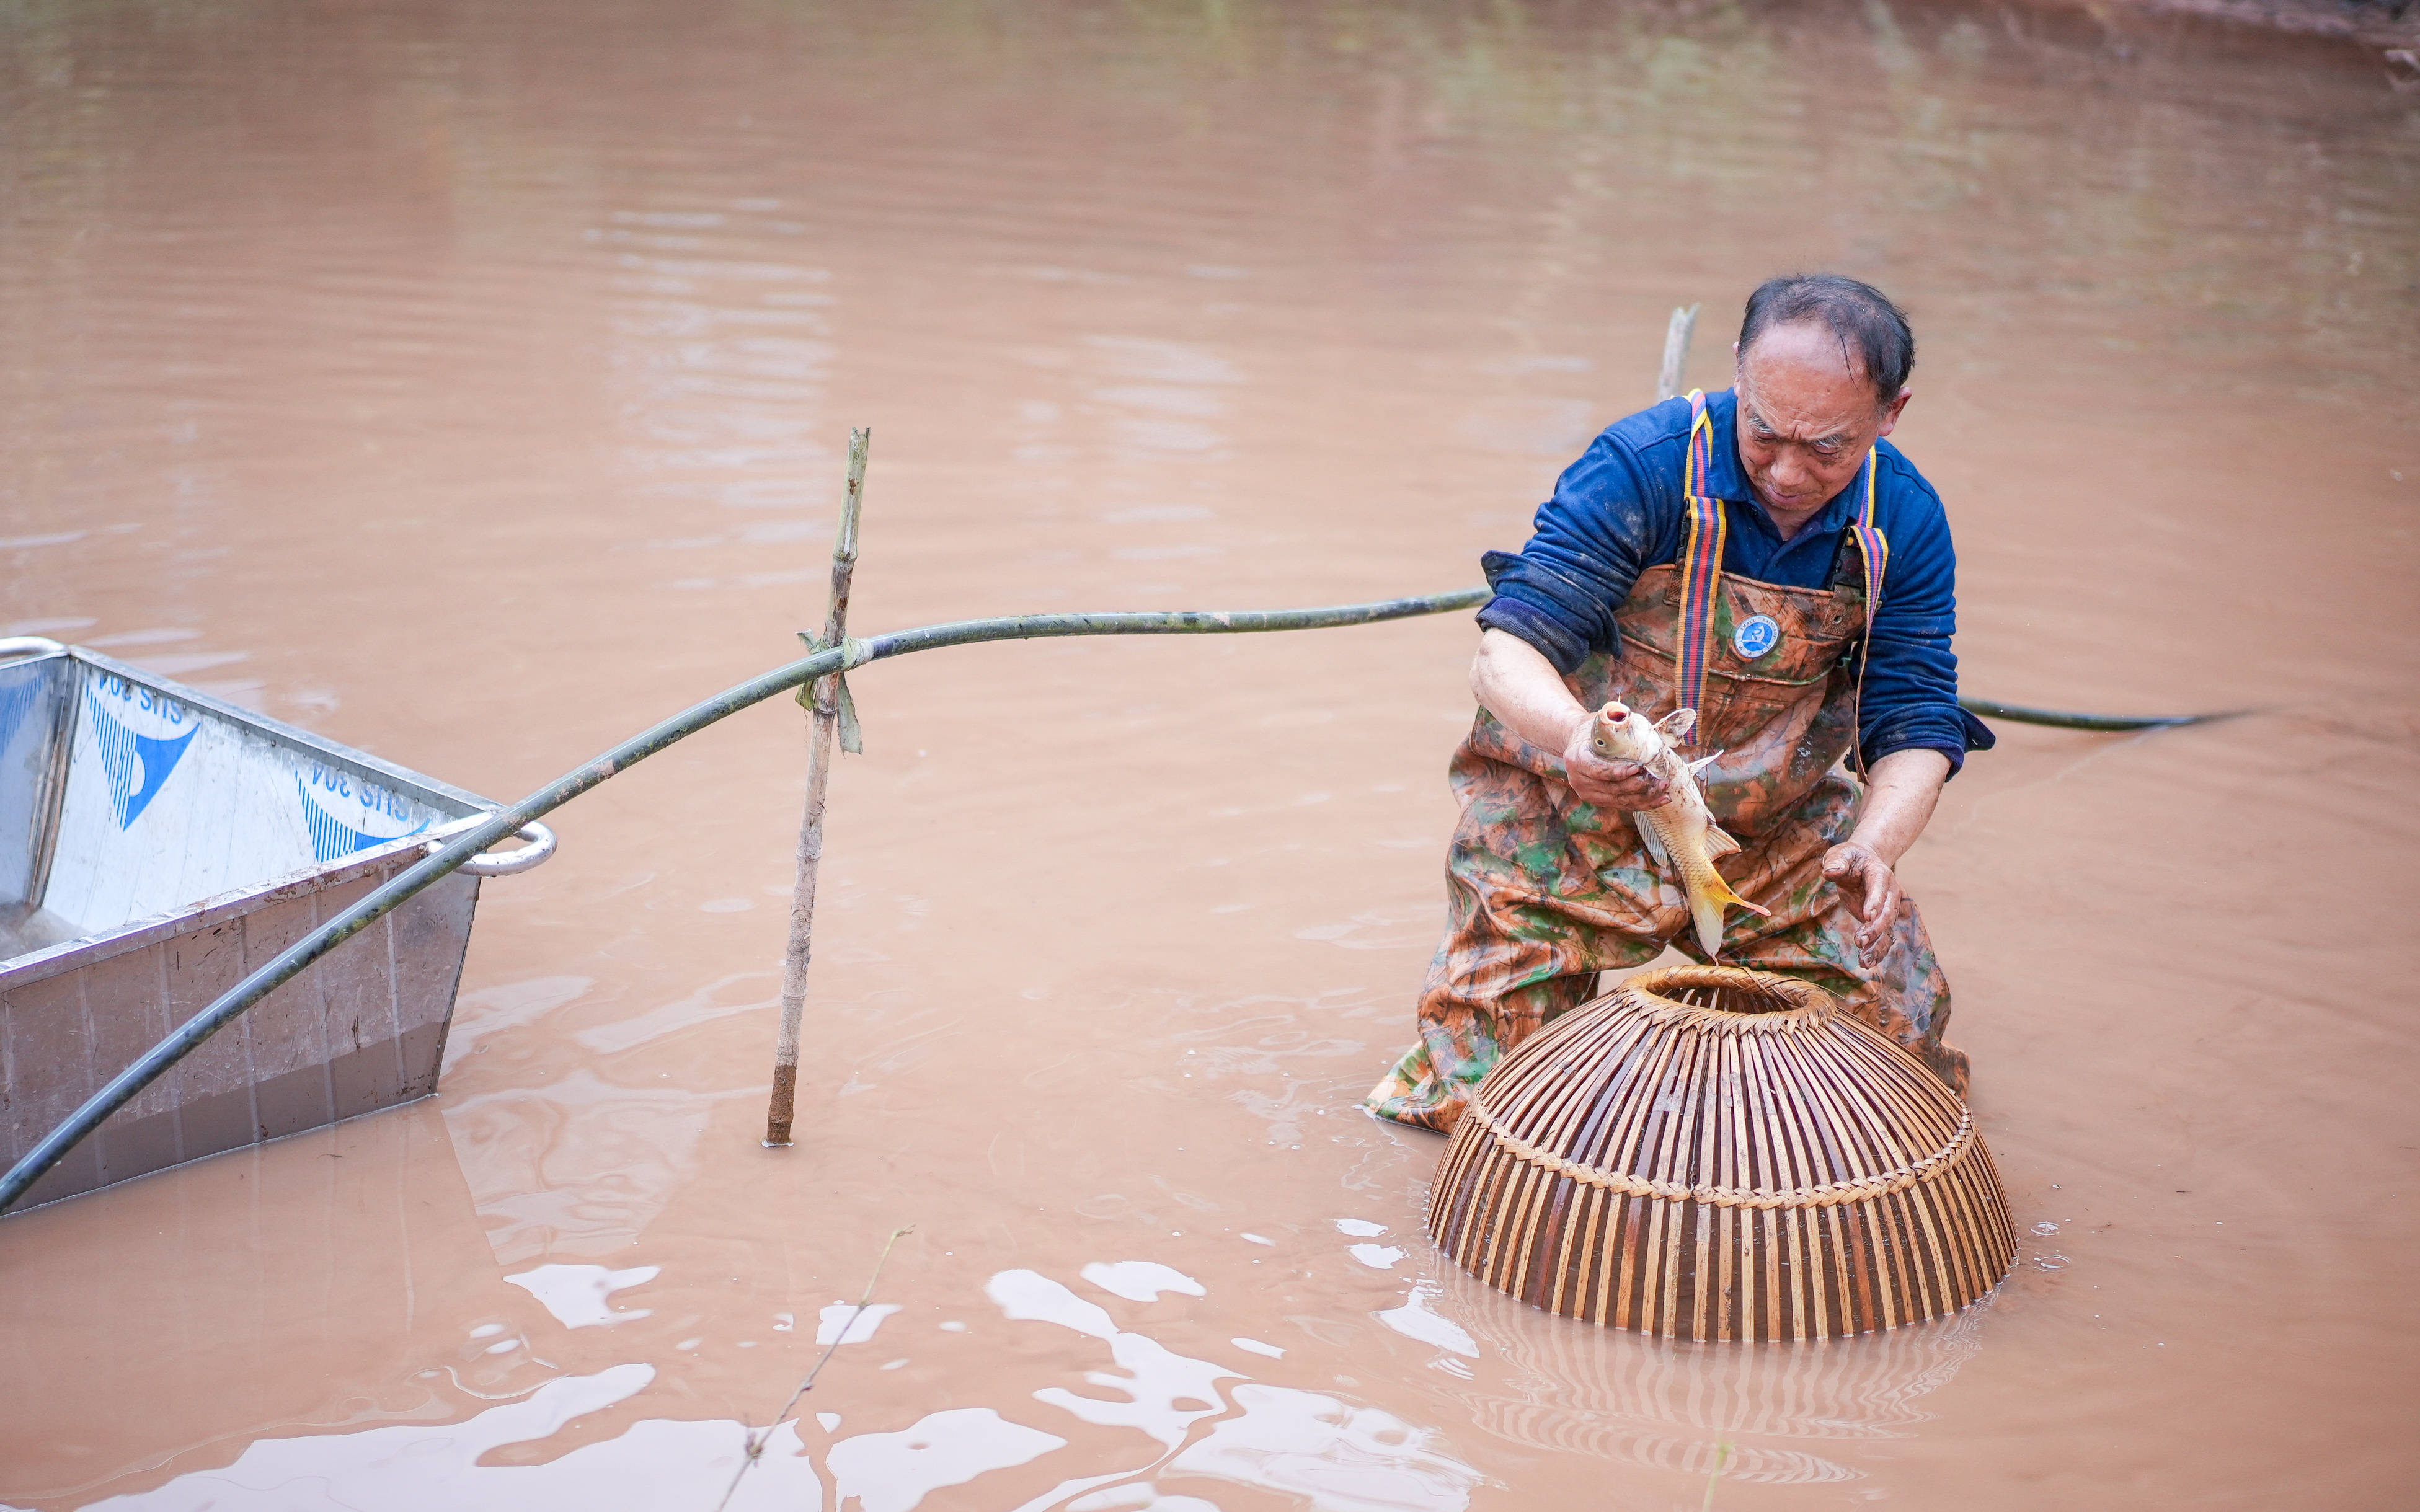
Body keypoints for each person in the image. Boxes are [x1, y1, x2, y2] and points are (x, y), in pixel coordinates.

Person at [1367, 273, 1993, 1133]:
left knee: (1894, 1087)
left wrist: (1876, 847)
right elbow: (1505, 652)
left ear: (1891, 414)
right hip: (1569, 814)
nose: (1786, 471)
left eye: (1827, 449)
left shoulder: (1905, 522)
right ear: (1738, 371)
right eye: (1766, 433)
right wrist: (1576, 740)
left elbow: (1916, 719)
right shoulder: (1640, 467)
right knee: (1481, 1109)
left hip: (1769, 836)